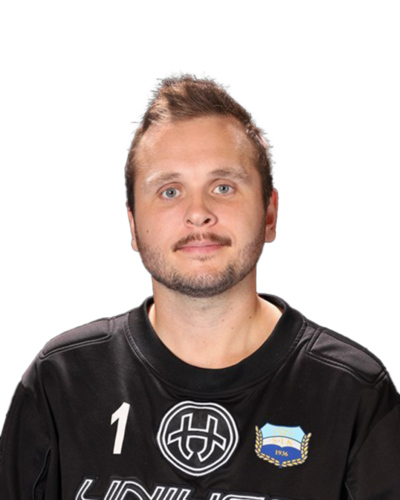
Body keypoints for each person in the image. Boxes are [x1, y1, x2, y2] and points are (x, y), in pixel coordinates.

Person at [0, 75, 399, 500]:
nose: (198, 213)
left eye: (223, 187)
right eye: (170, 191)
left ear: (269, 213)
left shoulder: (354, 395)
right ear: (133, 225)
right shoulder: (62, 382)